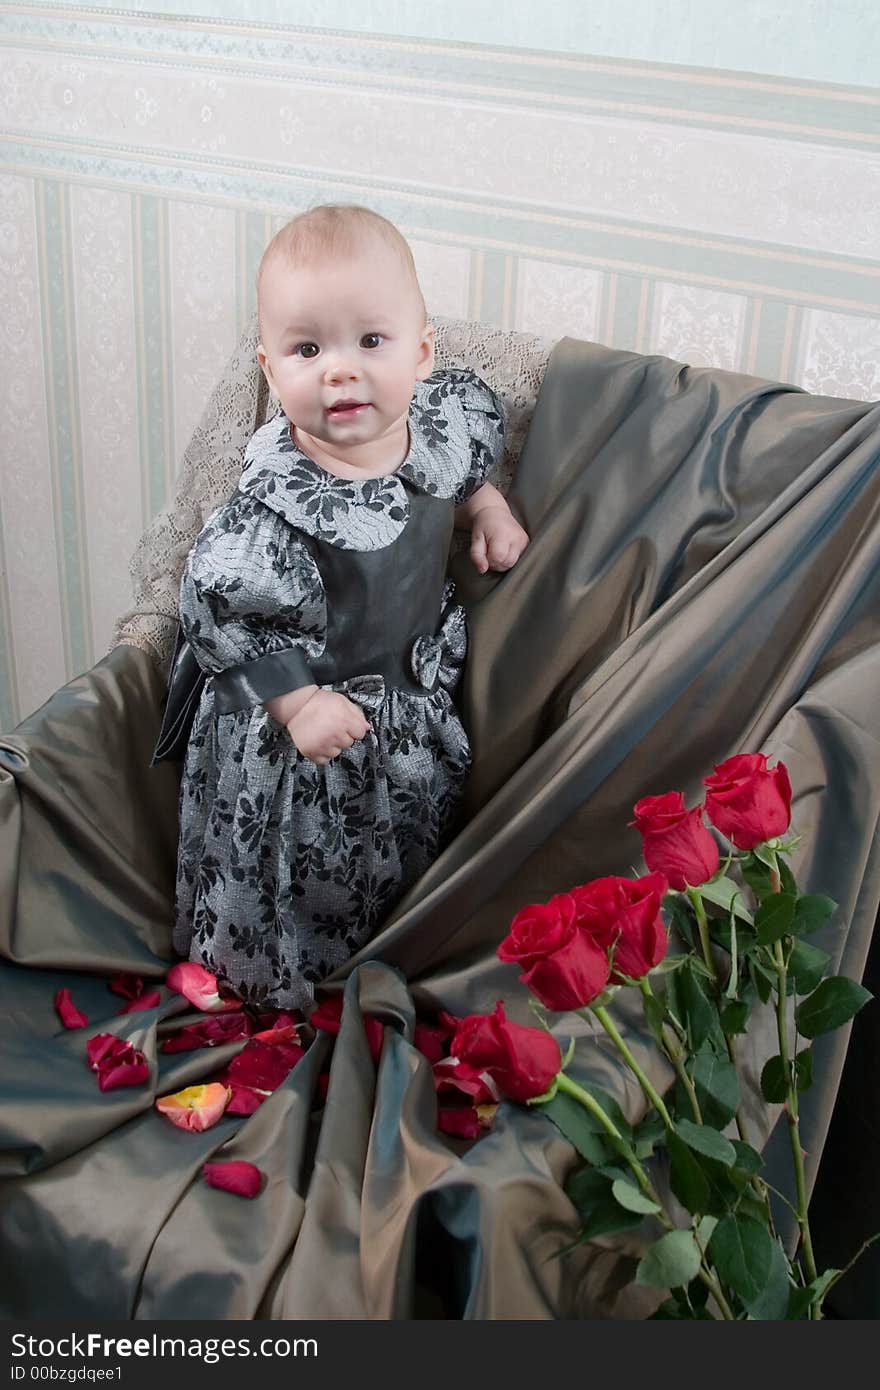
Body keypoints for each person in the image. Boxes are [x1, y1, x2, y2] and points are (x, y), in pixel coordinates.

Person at [168, 204, 529, 1011]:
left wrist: (489, 511)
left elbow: (461, 474)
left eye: (371, 341)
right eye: (308, 349)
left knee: (398, 845)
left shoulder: (437, 421)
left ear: (421, 351)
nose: (340, 370)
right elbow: (226, 614)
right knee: (297, 873)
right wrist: (296, 705)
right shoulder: (276, 504)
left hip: (401, 711)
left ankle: (389, 956)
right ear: (270, 370)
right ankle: (280, 987)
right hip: (296, 733)